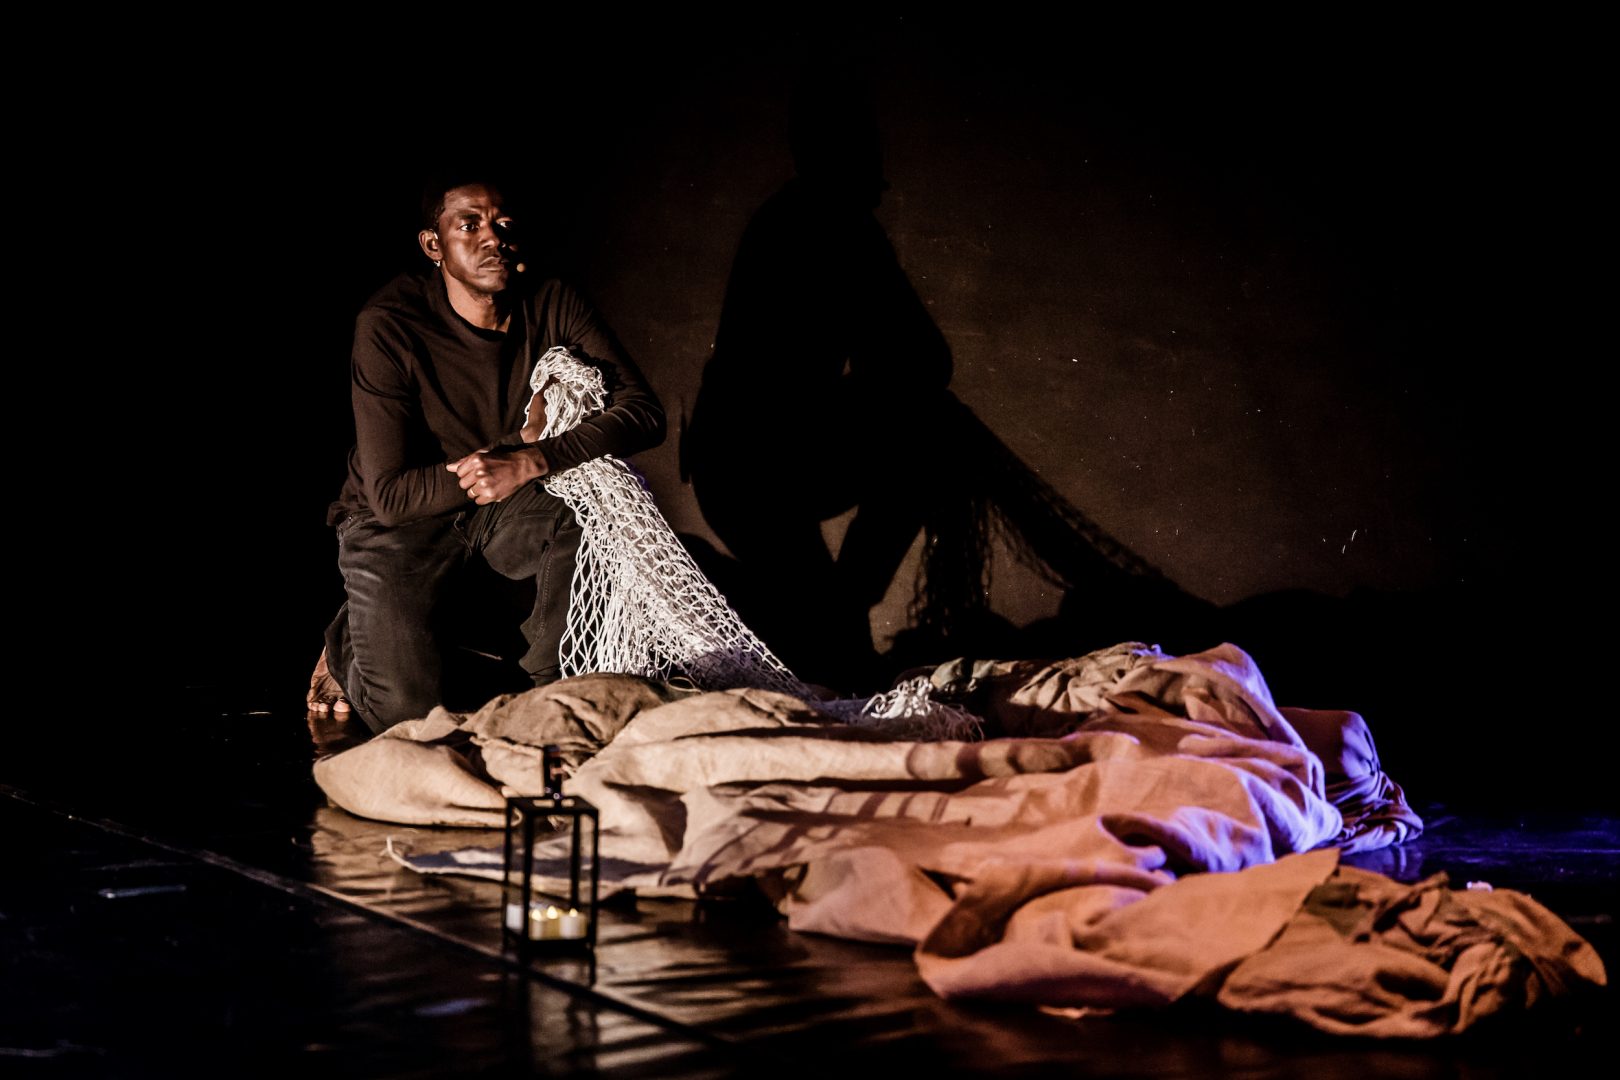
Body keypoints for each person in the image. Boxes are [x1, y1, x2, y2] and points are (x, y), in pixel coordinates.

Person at [316, 175, 665, 733]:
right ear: (434, 245)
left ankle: (546, 688)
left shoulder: (550, 300)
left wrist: (533, 460)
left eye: (502, 224)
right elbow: (390, 497)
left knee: (590, 510)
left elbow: (644, 412)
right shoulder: (389, 324)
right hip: (397, 523)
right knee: (413, 719)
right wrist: (508, 452)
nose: (492, 239)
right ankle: (346, 641)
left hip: (505, 504)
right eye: (469, 225)